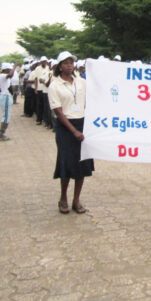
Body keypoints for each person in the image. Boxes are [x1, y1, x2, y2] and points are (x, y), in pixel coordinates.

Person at [49, 51, 93, 214]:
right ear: (59, 66)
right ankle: (63, 198)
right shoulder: (55, 85)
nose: (69, 65)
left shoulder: (81, 82)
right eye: (66, 63)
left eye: (71, 63)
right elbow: (58, 112)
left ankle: (76, 199)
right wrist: (73, 131)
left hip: (82, 124)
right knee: (66, 164)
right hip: (66, 127)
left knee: (82, 164)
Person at [0, 63, 15, 141]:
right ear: (6, 69)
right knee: (5, 117)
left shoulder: (3, 76)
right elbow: (11, 75)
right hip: (5, 97)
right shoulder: (2, 75)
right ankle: (2, 134)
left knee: (6, 116)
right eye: (9, 69)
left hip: (7, 96)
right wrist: (14, 67)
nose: (10, 70)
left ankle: (2, 133)